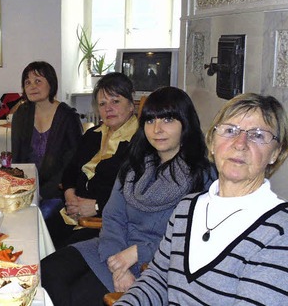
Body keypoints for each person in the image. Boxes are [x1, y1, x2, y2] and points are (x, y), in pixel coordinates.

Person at [41, 86, 216, 305]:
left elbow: (193, 240)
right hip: (113, 250)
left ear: (186, 124)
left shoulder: (203, 176)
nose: (157, 129)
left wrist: (137, 253)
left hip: (155, 265)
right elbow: (113, 217)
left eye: (168, 120)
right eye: (151, 121)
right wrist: (118, 264)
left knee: (76, 297)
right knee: (46, 273)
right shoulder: (135, 165)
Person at [116, 93, 288, 305]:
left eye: (258, 135)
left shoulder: (280, 231)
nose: (240, 144)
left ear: (275, 153)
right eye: (230, 131)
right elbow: (158, 279)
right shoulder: (187, 209)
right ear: (212, 143)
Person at [49, 72, 139, 249]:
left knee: (54, 258)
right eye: (102, 104)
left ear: (131, 105)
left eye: (116, 101)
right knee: (35, 237)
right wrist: (70, 195)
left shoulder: (141, 142)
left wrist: (97, 206)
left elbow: (136, 195)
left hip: (107, 224)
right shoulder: (92, 135)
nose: (108, 109)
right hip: (74, 213)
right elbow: (71, 170)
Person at [11, 61, 82, 221]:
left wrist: (43, 193)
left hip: (58, 191)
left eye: (38, 81)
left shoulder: (67, 117)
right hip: (26, 190)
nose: (31, 86)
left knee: (38, 218)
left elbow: (73, 163)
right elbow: (18, 158)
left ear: (51, 83)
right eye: (27, 82)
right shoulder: (21, 114)